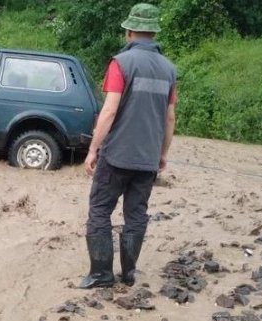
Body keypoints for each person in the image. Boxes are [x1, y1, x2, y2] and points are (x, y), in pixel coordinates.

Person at [79, 3, 177, 289]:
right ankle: (129, 273)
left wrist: (93, 150)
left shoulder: (120, 63)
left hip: (116, 156)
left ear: (129, 32)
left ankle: (101, 274)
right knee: (136, 215)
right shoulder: (169, 69)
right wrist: (162, 154)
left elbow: (109, 112)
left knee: (99, 211)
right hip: (147, 159)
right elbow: (169, 117)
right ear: (154, 33)